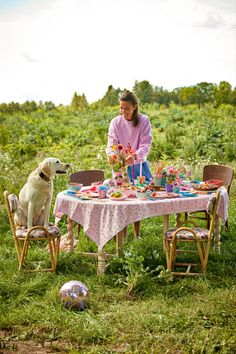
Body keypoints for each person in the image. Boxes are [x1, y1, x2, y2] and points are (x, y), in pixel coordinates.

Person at [106, 90, 152, 182]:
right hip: (120, 167)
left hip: (139, 166)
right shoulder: (115, 122)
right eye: (121, 108)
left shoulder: (144, 120)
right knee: (120, 193)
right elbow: (111, 145)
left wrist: (134, 156)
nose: (123, 112)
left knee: (143, 193)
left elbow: (146, 145)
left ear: (134, 106)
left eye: (126, 108)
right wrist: (112, 156)